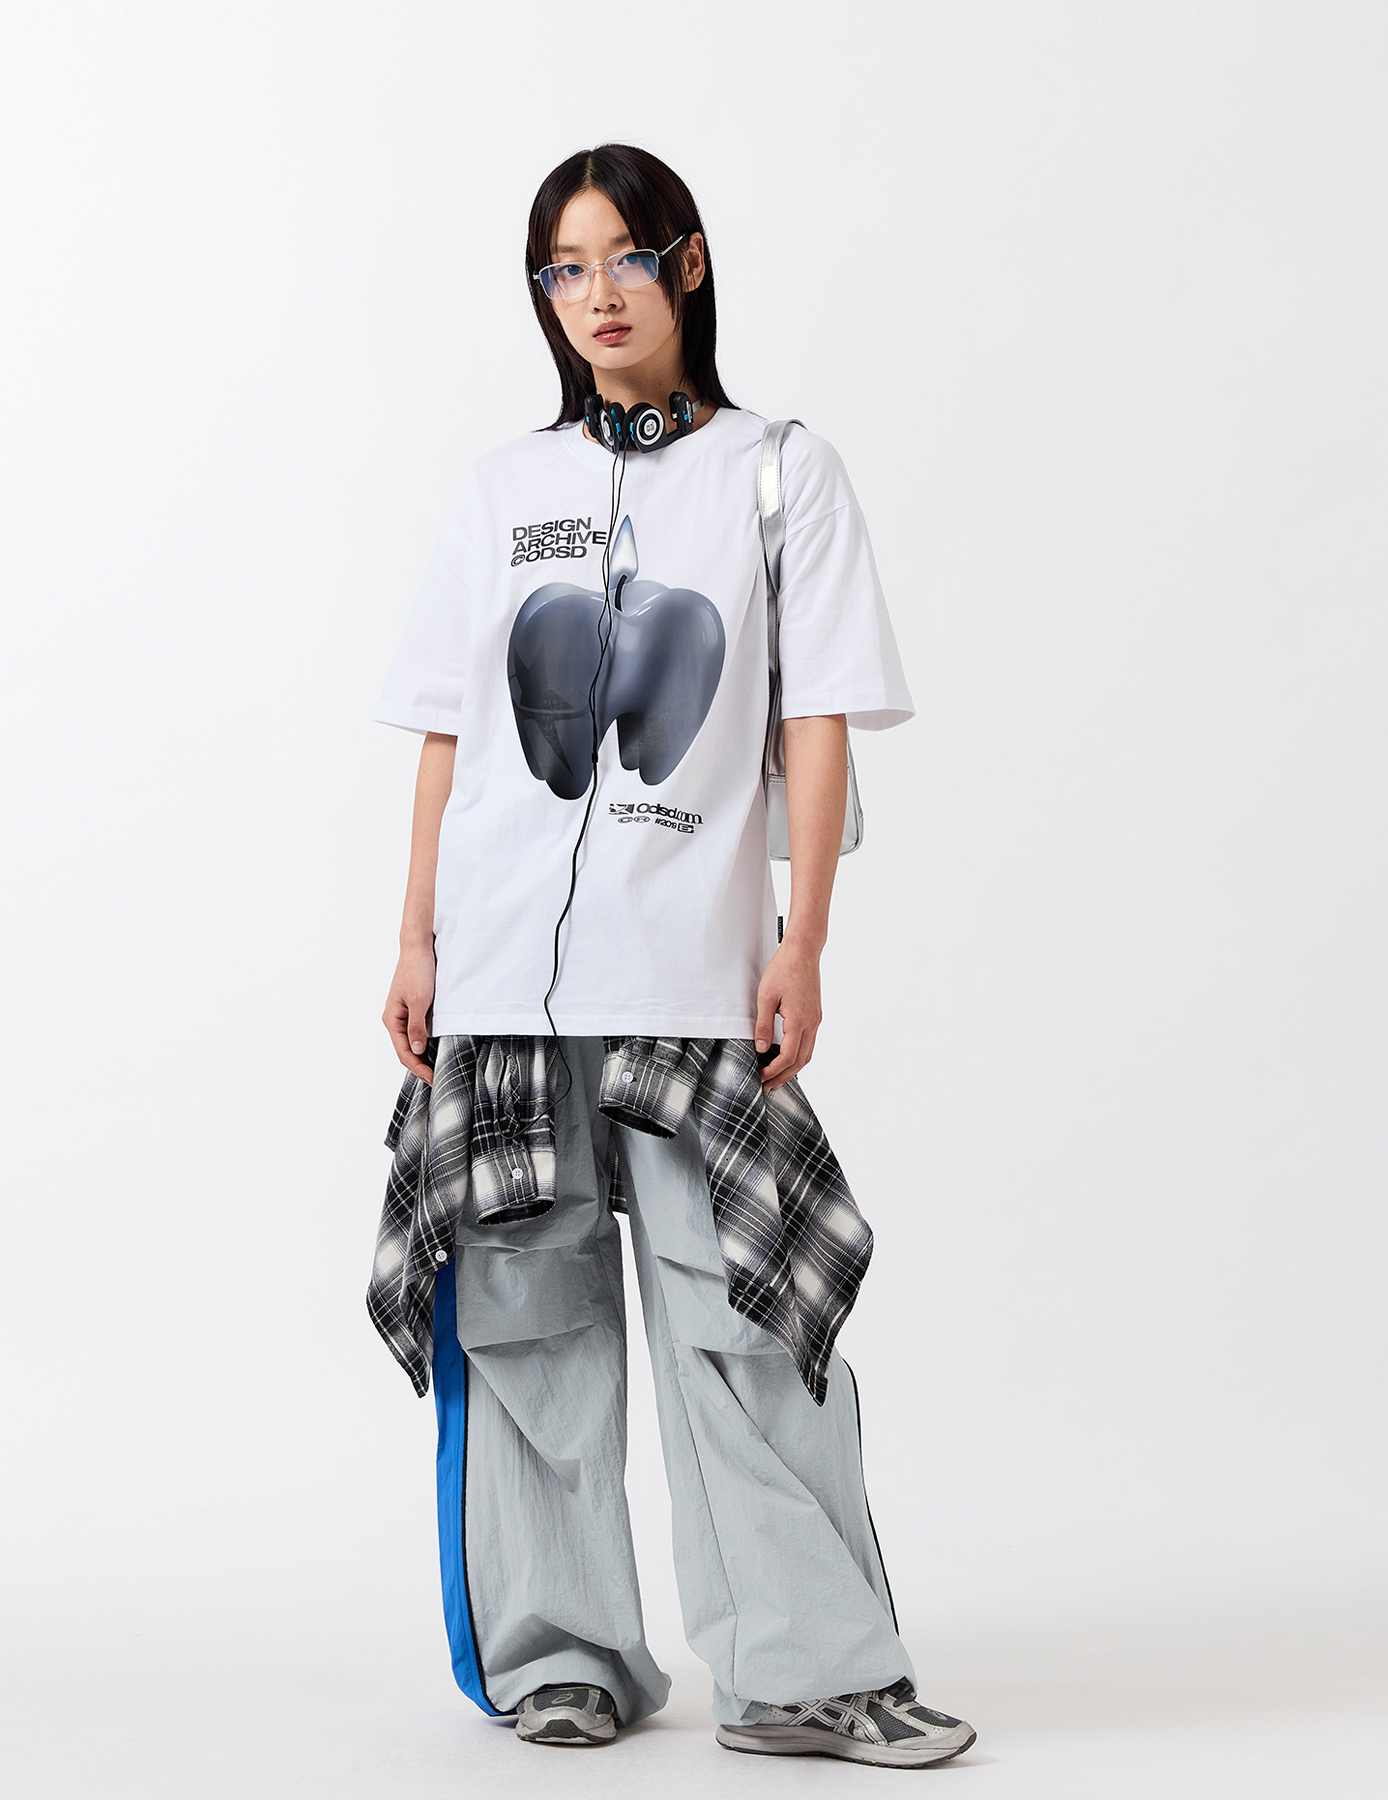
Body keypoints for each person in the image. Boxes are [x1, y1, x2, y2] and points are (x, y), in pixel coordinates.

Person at [366, 143, 975, 1770]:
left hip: (692, 976)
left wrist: (804, 938)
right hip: (504, 981)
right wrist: (417, 934)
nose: (596, 296)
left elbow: (817, 714)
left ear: (687, 263)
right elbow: (449, 732)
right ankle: (560, 1656)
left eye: (622, 257)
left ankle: (806, 1673)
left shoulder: (779, 472)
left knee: (746, 1325)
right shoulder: (502, 488)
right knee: (526, 1326)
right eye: (563, 270)